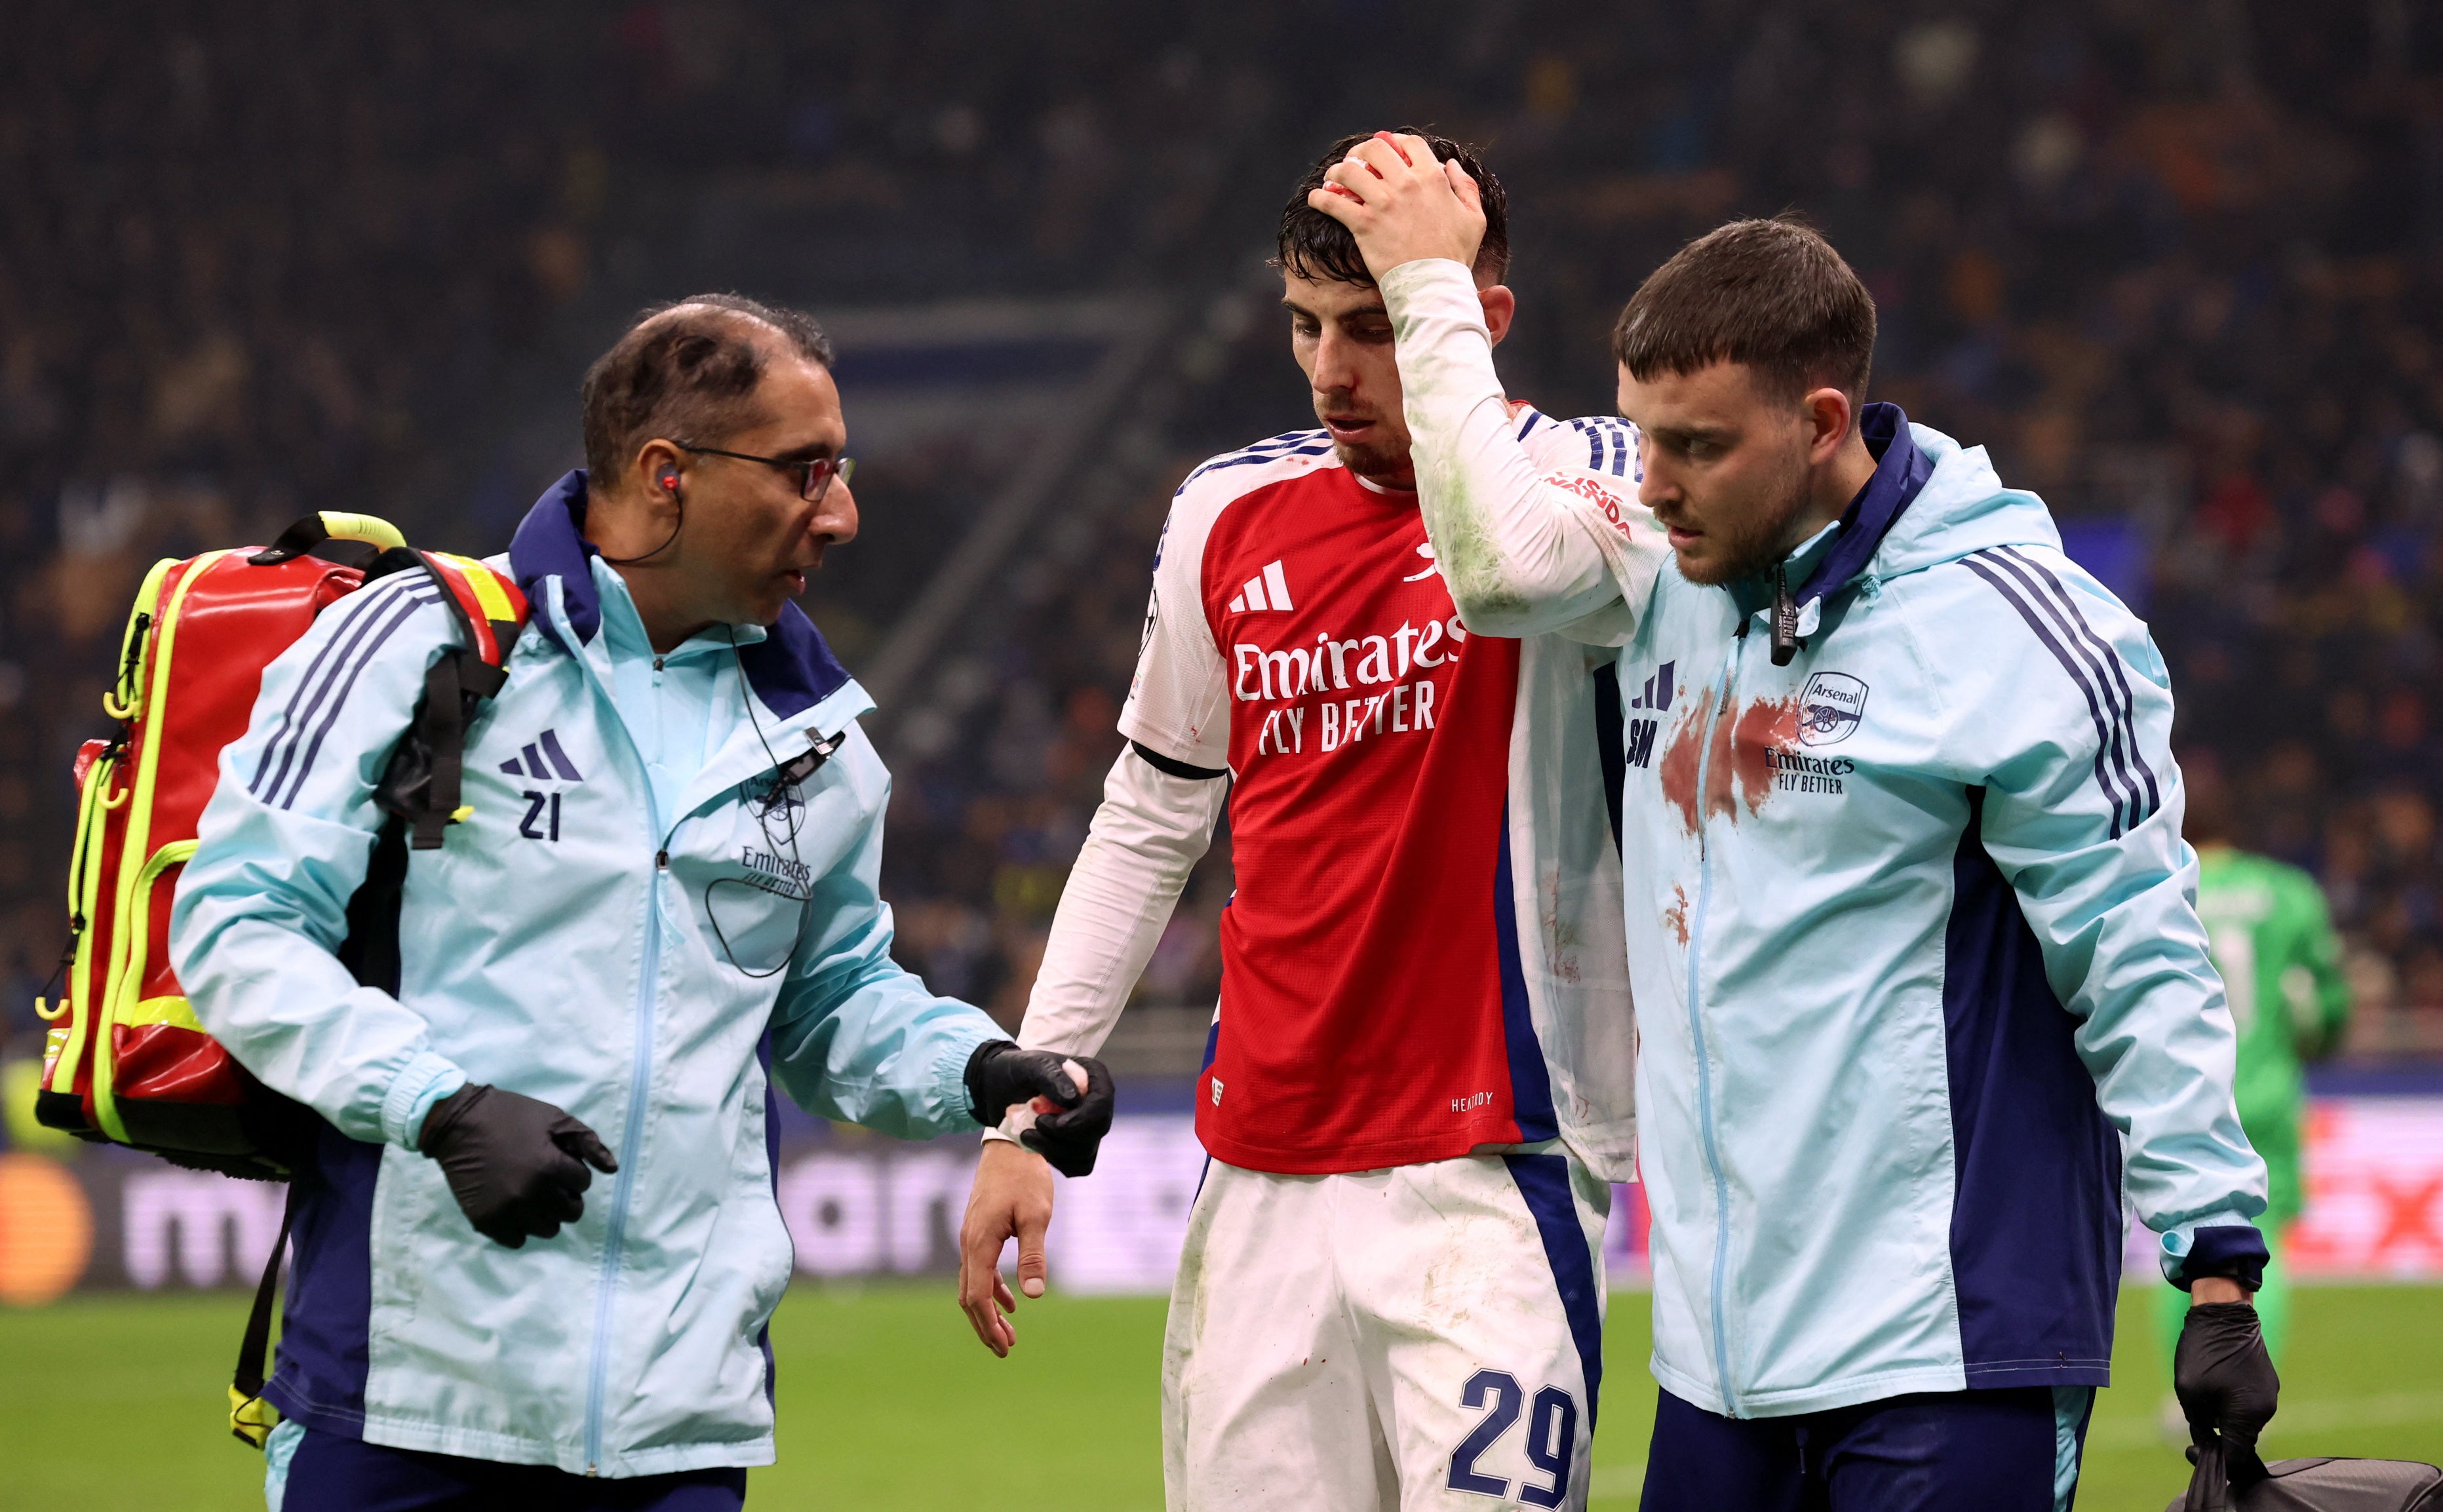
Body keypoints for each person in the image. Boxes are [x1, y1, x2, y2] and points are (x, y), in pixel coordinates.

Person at [1310, 136, 2280, 1510]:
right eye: (1643, 435)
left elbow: (2134, 949)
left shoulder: (2017, 626)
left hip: (1953, 1345)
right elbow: (1486, 567)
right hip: (1720, 1360)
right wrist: (1427, 287)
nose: (1650, 483)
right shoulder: (1662, 571)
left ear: (1822, 423)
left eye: (1697, 446)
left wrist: (2217, 1260)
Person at [171, 293, 1112, 1511]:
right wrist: (437, 1104)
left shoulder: (818, 738)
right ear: (667, 473)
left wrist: (978, 1066)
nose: (842, 512)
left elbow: (828, 1002)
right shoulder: (421, 641)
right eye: (804, 470)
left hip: (678, 1421)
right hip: (406, 1393)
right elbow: (236, 923)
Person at [957, 132, 1664, 1510]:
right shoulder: (1224, 512)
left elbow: (1502, 562)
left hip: (1493, 1169)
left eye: (1371, 323)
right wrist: (1024, 1113)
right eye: (1304, 326)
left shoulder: (1597, 479)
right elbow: (1151, 813)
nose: (1332, 369)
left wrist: (1434, 292)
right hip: (1262, 1173)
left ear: (1475, 317)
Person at [2155, 751, 2351, 1412]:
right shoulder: (2288, 893)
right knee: (2267, 1242)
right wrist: (2316, 1039)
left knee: (2182, 1238)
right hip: (2263, 1092)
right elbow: (2324, 1007)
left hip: (2178, 1091)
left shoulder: (2154, 881)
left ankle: (2179, 1396)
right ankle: (2255, 1384)